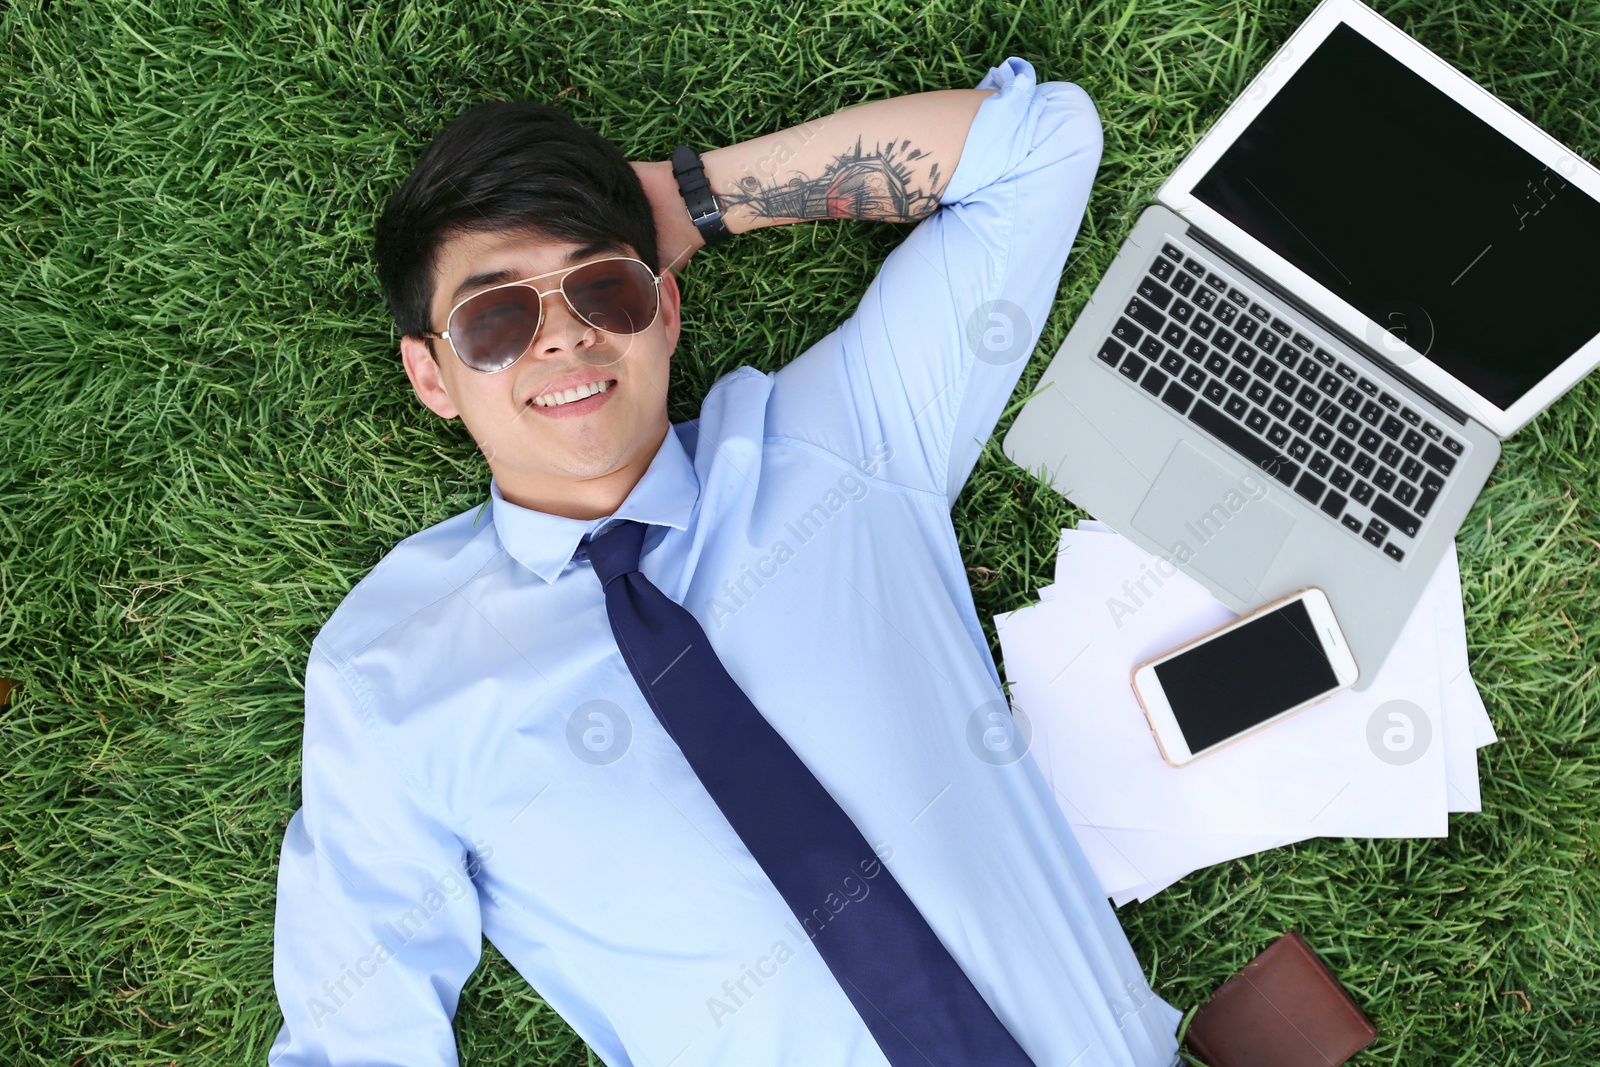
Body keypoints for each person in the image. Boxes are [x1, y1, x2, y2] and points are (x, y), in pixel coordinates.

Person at [268, 56, 1184, 1066]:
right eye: (495, 317)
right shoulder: (391, 672)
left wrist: (693, 202)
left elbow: (1039, 144)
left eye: (600, 286)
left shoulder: (835, 445)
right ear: (431, 376)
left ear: (661, 308)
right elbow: (355, 1038)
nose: (563, 333)